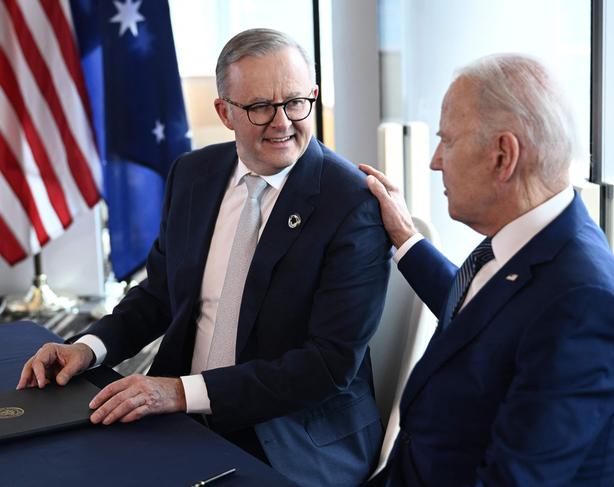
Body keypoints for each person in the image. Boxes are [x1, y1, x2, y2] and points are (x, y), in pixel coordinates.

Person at [18, 28, 391, 486]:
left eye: (296, 102)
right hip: (179, 416)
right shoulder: (193, 174)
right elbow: (157, 295)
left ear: (313, 95)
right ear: (225, 112)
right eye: (259, 107)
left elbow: (326, 366)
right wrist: (88, 347)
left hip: (291, 436)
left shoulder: (351, 203)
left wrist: (180, 393)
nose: (283, 123)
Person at [360, 53, 614, 486]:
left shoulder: (586, 305)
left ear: (502, 156)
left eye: (448, 141)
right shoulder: (530, 244)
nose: (435, 160)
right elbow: (482, 320)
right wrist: (405, 238)